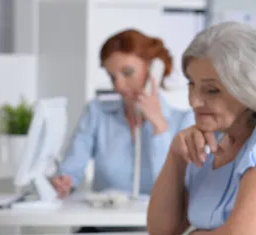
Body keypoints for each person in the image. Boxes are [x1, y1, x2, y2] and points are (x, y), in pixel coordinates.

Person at [147, 22, 256, 235]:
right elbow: (162, 231)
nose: (194, 101)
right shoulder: (210, 142)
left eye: (212, 90)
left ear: (250, 90)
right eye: (191, 83)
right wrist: (176, 157)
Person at [51, 29, 194, 199]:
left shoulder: (184, 121)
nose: (118, 86)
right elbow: (71, 168)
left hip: (155, 225)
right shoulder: (97, 113)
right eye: (112, 77)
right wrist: (65, 181)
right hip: (101, 223)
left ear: (153, 70)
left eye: (127, 73)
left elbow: (176, 188)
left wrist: (159, 126)